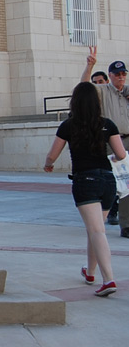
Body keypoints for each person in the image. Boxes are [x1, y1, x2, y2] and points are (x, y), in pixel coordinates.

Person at [44, 81, 125, 297]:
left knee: (97, 230)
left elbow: (53, 154)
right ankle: (90, 272)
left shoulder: (69, 126)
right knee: (95, 228)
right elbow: (121, 154)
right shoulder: (107, 124)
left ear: (75, 103)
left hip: (85, 180)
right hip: (108, 181)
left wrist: (48, 164)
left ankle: (108, 279)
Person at [81, 46, 129, 237]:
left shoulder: (127, 91)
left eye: (123, 73)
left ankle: (126, 224)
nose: (121, 77)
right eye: (117, 74)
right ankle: (102, 218)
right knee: (110, 183)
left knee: (127, 185)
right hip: (112, 141)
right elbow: (84, 87)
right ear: (111, 76)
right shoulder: (103, 91)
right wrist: (89, 66)